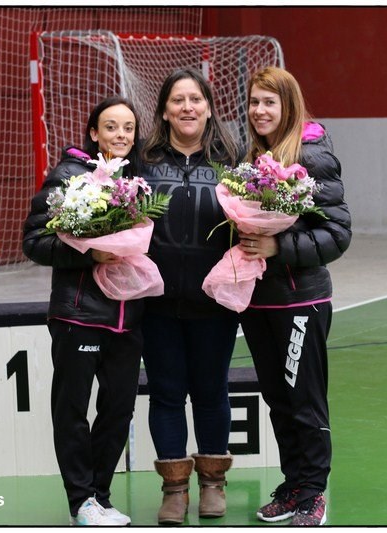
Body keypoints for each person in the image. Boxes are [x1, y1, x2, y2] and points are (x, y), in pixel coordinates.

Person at [22, 97, 144, 526]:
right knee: (72, 409)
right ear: (94, 133)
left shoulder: (139, 180)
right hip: (79, 313)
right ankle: (81, 501)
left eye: (128, 127)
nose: (120, 135)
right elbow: (35, 242)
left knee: (119, 410)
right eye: (111, 127)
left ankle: (100, 496)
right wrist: (90, 253)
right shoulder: (68, 176)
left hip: (128, 317)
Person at [237, 66, 351, 526]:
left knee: (304, 399)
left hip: (299, 300)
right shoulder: (250, 158)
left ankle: (314, 492)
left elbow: (337, 234)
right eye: (254, 101)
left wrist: (277, 247)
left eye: (269, 102)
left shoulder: (313, 156)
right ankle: (293, 484)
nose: (259, 110)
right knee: (278, 399)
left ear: (289, 107)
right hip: (258, 301)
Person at [140, 68, 241, 524]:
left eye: (195, 99)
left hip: (213, 304)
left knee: (211, 391)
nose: (187, 107)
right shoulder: (143, 161)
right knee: (165, 395)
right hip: (156, 304)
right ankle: (174, 490)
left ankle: (213, 484)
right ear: (164, 110)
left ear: (208, 108)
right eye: (177, 100)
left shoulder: (231, 162)